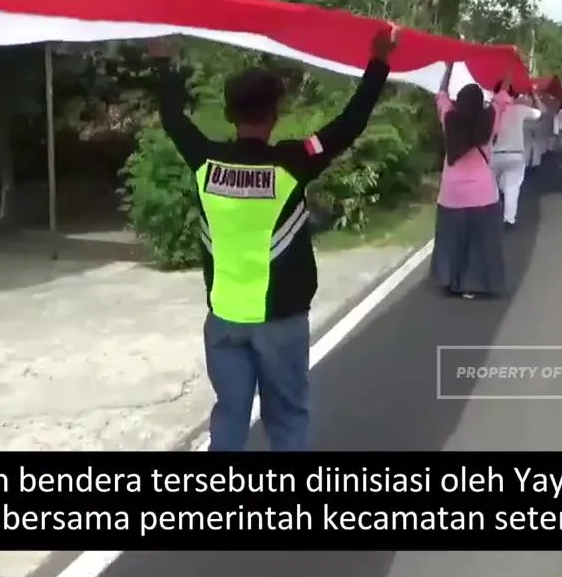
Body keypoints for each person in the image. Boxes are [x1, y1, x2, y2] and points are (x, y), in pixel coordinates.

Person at [147, 25, 400, 452]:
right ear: (274, 115)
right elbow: (348, 125)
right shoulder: (293, 162)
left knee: (230, 417)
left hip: (224, 320)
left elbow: (173, 118)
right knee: (286, 417)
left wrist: (161, 61)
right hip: (281, 322)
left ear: (230, 113)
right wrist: (379, 62)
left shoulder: (204, 160)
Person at [431, 75, 512, 299]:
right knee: (479, 242)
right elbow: (501, 97)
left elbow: (441, 94)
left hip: (451, 195)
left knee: (452, 239)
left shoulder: (450, 119)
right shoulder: (489, 119)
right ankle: (472, 284)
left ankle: (450, 280)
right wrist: (508, 69)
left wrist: (448, 68)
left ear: (459, 101)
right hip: (483, 194)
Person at [491, 90, 542, 230]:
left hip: (493, 155)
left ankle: (489, 216)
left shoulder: (491, 109)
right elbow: (538, 114)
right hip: (515, 154)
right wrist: (533, 96)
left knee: (491, 188)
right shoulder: (519, 109)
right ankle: (509, 219)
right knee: (512, 188)